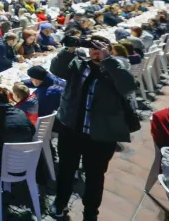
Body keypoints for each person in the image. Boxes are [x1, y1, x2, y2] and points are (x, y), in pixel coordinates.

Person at [49, 36, 139, 220]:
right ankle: (60, 203)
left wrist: (107, 59)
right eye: (92, 47)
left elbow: (128, 87)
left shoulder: (116, 67)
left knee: (95, 176)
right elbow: (56, 69)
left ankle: (90, 214)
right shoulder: (79, 64)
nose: (95, 51)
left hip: (101, 134)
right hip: (72, 129)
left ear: (110, 49)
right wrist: (69, 49)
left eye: (101, 47)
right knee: (66, 170)